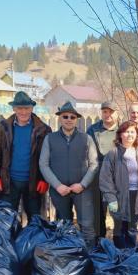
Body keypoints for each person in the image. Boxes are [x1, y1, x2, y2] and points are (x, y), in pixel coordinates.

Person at [39, 102, 98, 247]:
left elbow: (94, 164)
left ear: (76, 119)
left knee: (87, 226)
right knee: (64, 225)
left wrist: (83, 184)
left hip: (82, 190)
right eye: (65, 116)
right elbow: (43, 164)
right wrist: (57, 185)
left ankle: (90, 258)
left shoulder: (86, 139)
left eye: (72, 117)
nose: (69, 119)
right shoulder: (50, 138)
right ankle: (68, 257)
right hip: (59, 191)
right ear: (60, 118)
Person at [0, 91, 51, 220]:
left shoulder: (43, 129)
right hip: (9, 181)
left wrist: (45, 179)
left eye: (27, 108)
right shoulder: (3, 127)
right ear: (14, 108)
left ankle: (32, 240)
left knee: (35, 218)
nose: (23, 112)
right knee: (7, 219)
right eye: (19, 108)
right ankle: (9, 240)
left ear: (32, 108)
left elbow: (49, 157)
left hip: (33, 182)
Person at [99, 120, 138, 248]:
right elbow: (105, 178)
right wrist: (111, 198)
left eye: (132, 132)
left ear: (136, 134)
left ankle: (130, 256)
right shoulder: (113, 154)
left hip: (137, 195)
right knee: (119, 226)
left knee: (133, 227)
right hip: (119, 196)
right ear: (120, 134)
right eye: (126, 131)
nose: (130, 135)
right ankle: (119, 255)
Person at [87, 101, 121, 238]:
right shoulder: (92, 130)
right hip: (96, 177)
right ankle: (100, 245)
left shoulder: (122, 131)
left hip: (117, 178)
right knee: (98, 214)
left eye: (111, 112)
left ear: (117, 114)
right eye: (105, 112)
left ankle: (119, 246)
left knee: (118, 214)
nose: (107, 115)